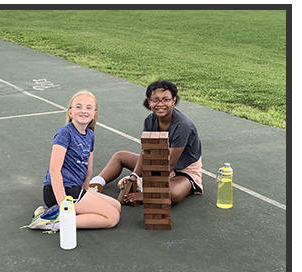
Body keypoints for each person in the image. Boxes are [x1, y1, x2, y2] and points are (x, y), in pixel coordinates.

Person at [89, 80, 203, 205]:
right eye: (155, 100)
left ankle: (146, 188)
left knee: (173, 194)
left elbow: (170, 164)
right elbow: (146, 152)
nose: (160, 104)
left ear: (173, 100)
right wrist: (134, 176)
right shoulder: (150, 120)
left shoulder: (183, 126)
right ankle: (96, 184)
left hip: (183, 171)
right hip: (157, 163)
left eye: (166, 99)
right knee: (120, 156)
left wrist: (146, 192)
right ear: (149, 101)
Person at [28, 90, 121, 231]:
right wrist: (62, 203)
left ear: (94, 113)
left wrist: (86, 193)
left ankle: (53, 213)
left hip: (75, 190)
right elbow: (54, 170)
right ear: (70, 112)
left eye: (89, 107)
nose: (84, 110)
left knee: (117, 206)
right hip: (60, 190)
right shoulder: (65, 133)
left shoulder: (90, 134)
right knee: (112, 217)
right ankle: (52, 222)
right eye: (78, 106)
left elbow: (88, 169)